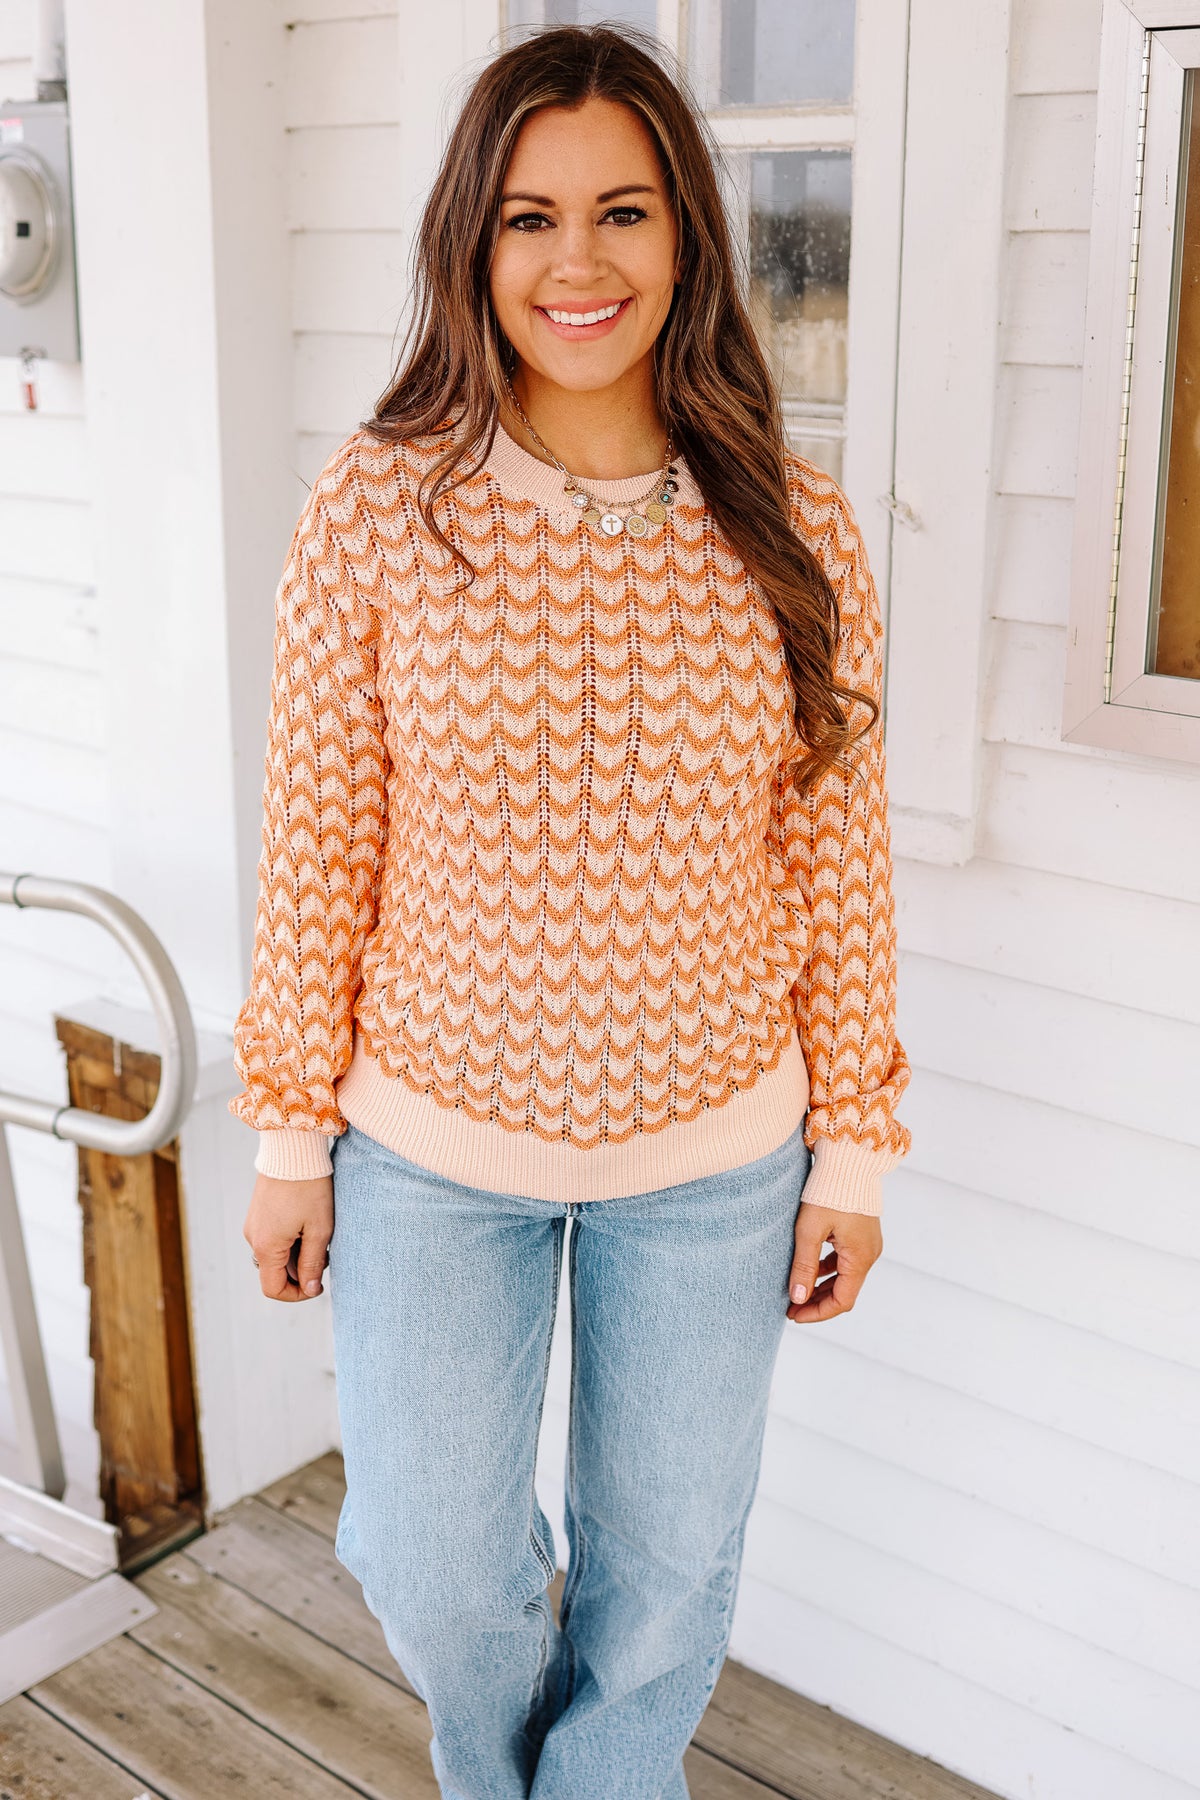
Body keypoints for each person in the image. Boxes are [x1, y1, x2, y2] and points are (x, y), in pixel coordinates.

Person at [231, 22, 912, 1800]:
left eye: (624, 210)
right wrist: (292, 1132)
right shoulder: (380, 506)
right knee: (434, 1563)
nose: (578, 261)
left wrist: (854, 1154)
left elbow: (835, 858)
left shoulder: (796, 529)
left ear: (686, 235)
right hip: (429, 1146)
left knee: (668, 1574)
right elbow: (317, 843)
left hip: (717, 1157)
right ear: (474, 242)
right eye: (531, 217)